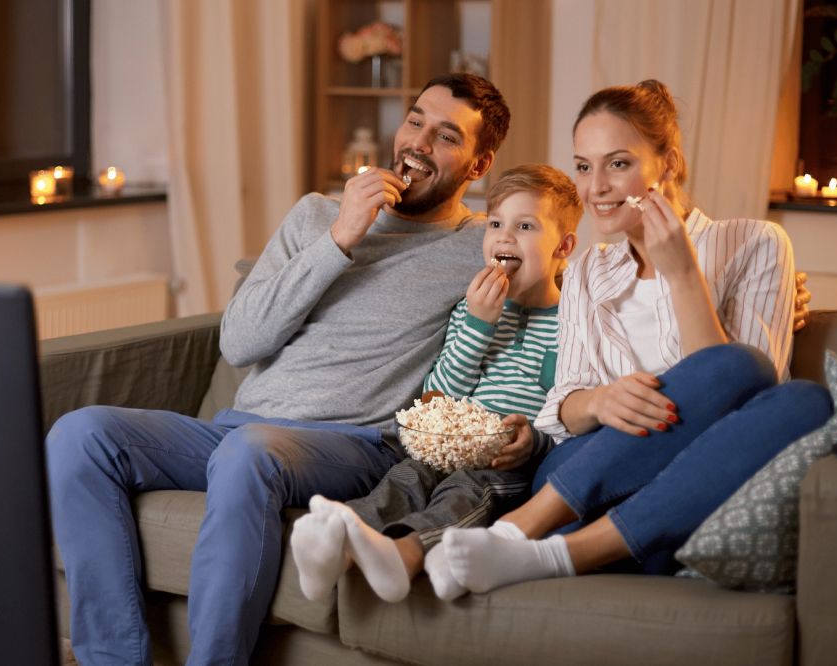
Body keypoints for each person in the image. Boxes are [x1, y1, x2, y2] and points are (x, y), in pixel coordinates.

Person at [45, 73, 511, 666]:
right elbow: (240, 342)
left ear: (478, 165)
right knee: (80, 435)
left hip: (355, 444)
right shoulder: (319, 215)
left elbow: (555, 288)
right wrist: (341, 238)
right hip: (238, 428)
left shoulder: (479, 245)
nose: (419, 142)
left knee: (249, 454)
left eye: (447, 136)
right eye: (415, 120)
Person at [434, 79, 835, 594]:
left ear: (666, 163)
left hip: (692, 475)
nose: (595, 186)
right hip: (585, 473)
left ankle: (551, 551)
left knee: (801, 400)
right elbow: (562, 407)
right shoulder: (584, 271)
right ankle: (526, 525)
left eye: (618, 163)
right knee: (743, 365)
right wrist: (600, 402)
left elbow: (745, 402)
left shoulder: (757, 243)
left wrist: (684, 275)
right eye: (583, 165)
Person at [290, 164, 581, 604]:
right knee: (404, 478)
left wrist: (533, 444)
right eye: (496, 223)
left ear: (563, 247)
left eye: (525, 226)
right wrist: (479, 327)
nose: (504, 237)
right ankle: (337, 545)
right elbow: (438, 396)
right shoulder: (471, 312)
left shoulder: (572, 327)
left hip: (507, 466)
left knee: (465, 491)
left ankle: (403, 552)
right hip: (448, 445)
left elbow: (568, 416)